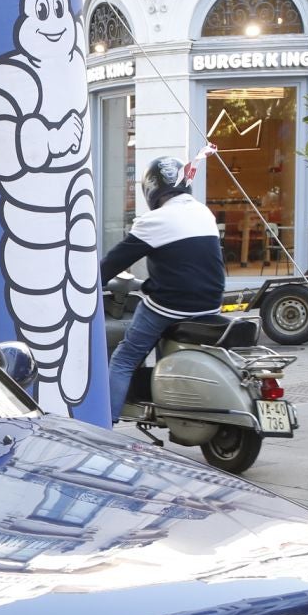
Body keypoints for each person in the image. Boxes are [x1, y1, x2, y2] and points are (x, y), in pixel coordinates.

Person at [99, 157, 227, 419]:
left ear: (151, 187)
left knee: (124, 358)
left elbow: (112, 264)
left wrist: (86, 284)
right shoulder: (204, 212)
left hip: (171, 306)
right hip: (211, 303)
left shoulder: (154, 220)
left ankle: (105, 424)